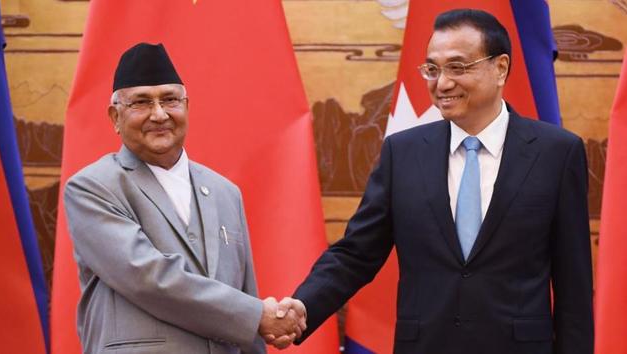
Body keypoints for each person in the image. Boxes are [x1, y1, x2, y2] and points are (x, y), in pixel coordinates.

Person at [284, 8, 594, 354]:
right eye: (432, 69)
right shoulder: (403, 152)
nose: (442, 83)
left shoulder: (556, 153)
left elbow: (573, 288)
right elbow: (356, 253)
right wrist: (302, 307)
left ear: (501, 67)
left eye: (458, 67)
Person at [63, 42, 305, 354]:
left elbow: (245, 288)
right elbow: (147, 277)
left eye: (170, 100)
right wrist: (258, 316)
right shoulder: (93, 187)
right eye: (141, 103)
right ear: (115, 117)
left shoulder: (224, 192)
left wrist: (266, 324)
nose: (159, 114)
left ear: (187, 107)